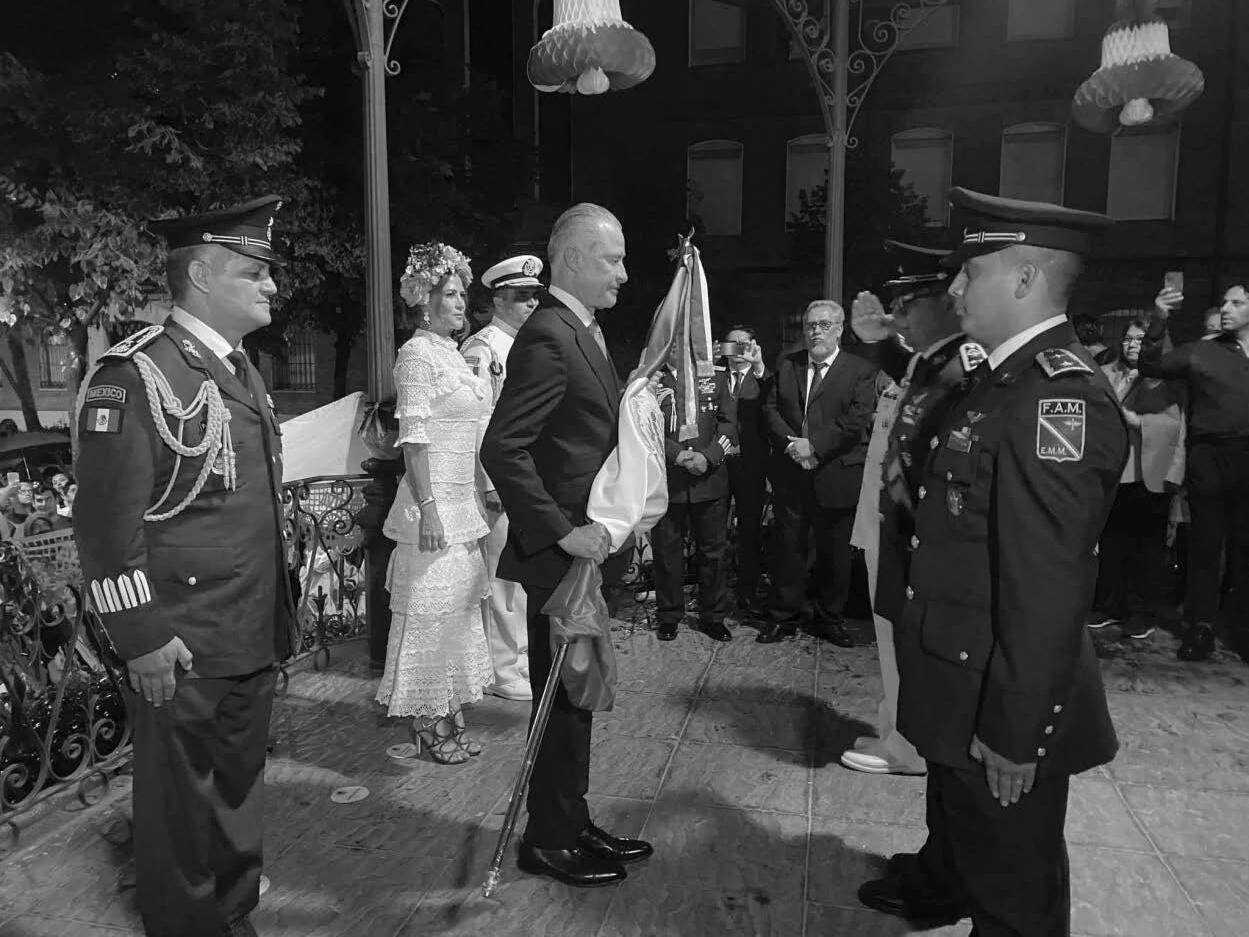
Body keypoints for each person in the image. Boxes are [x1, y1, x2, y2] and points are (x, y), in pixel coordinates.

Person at [858, 188, 1126, 936]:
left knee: (1014, 897)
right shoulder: (999, 379)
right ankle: (943, 883)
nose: (953, 287)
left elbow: (1047, 586)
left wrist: (1015, 731)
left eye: (970, 272)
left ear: (1024, 279)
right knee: (969, 831)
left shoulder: (1054, 399)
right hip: (960, 672)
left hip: (998, 695)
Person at [73, 195, 295, 937]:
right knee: (178, 809)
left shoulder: (240, 368)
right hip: (180, 641)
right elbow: (105, 526)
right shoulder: (136, 373)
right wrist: (140, 637)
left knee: (236, 792)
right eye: (253, 272)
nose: (271, 285)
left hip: (246, 628)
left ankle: (232, 913)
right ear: (200, 275)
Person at [481, 203, 653, 888]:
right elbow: (504, 447)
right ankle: (546, 840)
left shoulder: (582, 328)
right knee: (561, 701)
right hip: (561, 557)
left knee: (577, 696)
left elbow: (584, 437)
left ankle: (571, 821)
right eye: (612, 259)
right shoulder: (550, 333)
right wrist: (562, 529)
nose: (623, 273)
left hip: (587, 550)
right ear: (575, 258)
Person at [841, 240, 983, 777]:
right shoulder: (928, 362)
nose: (896, 316)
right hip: (891, 522)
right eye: (895, 305)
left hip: (913, 532)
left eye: (907, 304)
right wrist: (884, 342)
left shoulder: (960, 365)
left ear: (946, 302)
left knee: (905, 643)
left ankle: (908, 746)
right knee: (890, 640)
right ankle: (894, 727)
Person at [375, 242, 495, 764]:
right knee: (428, 616)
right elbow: (415, 439)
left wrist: (481, 493)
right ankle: (428, 721)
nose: (461, 302)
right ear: (424, 301)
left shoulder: (452, 354)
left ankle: (451, 712)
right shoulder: (416, 355)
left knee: (457, 616)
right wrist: (428, 508)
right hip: (432, 508)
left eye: (462, 293)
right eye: (450, 293)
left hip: (462, 505)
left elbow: (473, 434)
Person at [1139, 282, 1249, 661]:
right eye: (1224, 302)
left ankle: (1241, 628)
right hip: (1210, 456)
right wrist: (1160, 318)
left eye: (1237, 303)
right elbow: (1150, 365)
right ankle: (1200, 627)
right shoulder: (1203, 350)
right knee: (1206, 544)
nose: (1226, 308)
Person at [758, 300, 877, 645]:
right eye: (811, 325)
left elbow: (856, 420)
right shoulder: (788, 364)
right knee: (788, 550)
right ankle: (784, 617)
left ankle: (829, 619)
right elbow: (770, 409)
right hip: (792, 474)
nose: (816, 332)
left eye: (824, 325)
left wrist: (815, 447)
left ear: (840, 329)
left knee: (835, 555)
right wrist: (794, 446)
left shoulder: (860, 369)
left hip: (836, 474)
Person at [460, 254, 543, 703]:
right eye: (522, 296)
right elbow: (477, 421)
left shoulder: (528, 344)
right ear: (498, 301)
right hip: (500, 482)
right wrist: (490, 484)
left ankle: (523, 659)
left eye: (534, 295)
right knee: (501, 580)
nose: (531, 303)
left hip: (529, 478)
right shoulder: (483, 350)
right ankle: (503, 667)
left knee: (523, 577)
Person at [1087, 321, 1185, 640]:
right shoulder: (1106, 373)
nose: (1132, 344)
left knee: (1147, 548)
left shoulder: (1168, 380)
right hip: (1113, 470)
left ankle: (1141, 612)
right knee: (1111, 542)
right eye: (1128, 338)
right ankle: (1108, 605)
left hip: (1150, 471)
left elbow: (1177, 426)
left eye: (1140, 339)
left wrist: (1139, 421)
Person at [651, 357, 737, 642]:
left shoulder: (716, 377)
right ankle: (668, 615)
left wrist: (708, 456)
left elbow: (729, 424)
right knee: (666, 552)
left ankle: (713, 617)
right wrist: (676, 454)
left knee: (714, 553)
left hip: (709, 480)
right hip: (668, 481)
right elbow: (643, 426)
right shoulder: (652, 379)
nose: (678, 341)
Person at [721, 327, 771, 614]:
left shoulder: (762, 378)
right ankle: (714, 596)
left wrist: (759, 366)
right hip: (717, 465)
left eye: (744, 343)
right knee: (714, 532)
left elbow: (775, 402)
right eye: (732, 343)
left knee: (749, 531)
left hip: (750, 466)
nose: (738, 348)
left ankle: (747, 593)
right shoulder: (713, 376)